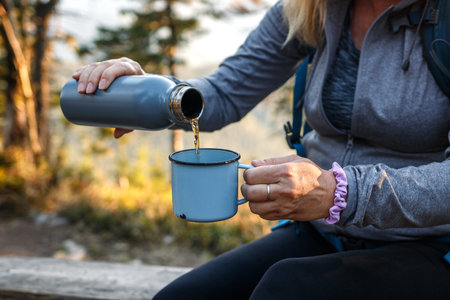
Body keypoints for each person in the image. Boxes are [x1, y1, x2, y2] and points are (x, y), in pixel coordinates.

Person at [72, 0, 450, 298]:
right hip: (324, 232)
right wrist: (152, 94)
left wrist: (340, 192)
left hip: (430, 245)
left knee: (290, 288)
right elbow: (224, 92)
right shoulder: (312, 9)